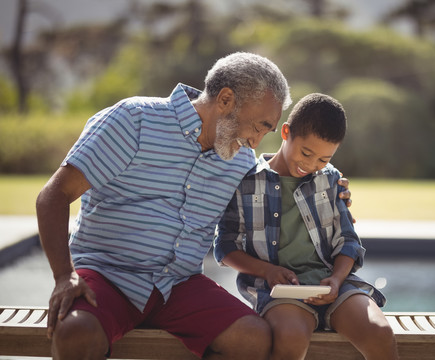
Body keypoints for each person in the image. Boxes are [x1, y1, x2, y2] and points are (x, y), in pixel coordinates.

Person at [36, 52, 352, 360]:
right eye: (258, 126)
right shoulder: (134, 120)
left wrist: (335, 189)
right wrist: (65, 276)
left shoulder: (239, 160)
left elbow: (277, 187)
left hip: (178, 285)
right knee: (75, 333)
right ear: (225, 100)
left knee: (252, 338)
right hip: (108, 274)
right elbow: (53, 195)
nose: (256, 142)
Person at [214, 93, 399, 360]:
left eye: (323, 160)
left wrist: (336, 280)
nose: (311, 165)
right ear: (286, 132)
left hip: (333, 285)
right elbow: (225, 247)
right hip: (281, 293)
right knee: (290, 337)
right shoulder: (246, 182)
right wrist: (268, 270)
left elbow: (348, 241)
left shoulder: (330, 180)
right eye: (306, 153)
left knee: (379, 331)